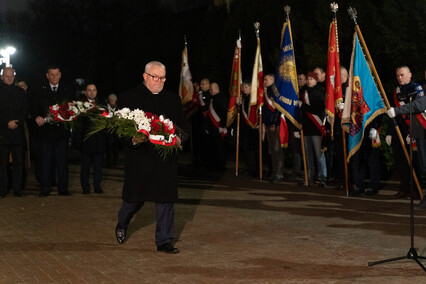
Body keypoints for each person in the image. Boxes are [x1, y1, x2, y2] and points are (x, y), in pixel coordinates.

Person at [115, 61, 189, 254]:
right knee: (133, 201)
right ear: (145, 76)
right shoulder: (127, 98)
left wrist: (179, 140)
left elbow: (182, 125)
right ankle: (122, 223)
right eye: (155, 77)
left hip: (165, 161)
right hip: (140, 159)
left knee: (165, 201)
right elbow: (119, 129)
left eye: (163, 78)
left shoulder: (172, 99)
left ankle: (164, 241)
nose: (159, 81)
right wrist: (133, 139)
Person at [31, 65, 73, 197]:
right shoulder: (39, 89)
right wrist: (36, 116)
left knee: (62, 161)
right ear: (47, 75)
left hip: (61, 132)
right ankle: (45, 188)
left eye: (56, 74)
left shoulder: (67, 89)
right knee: (45, 161)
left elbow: (72, 107)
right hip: (45, 132)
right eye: (52, 75)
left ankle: (63, 188)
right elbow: (33, 107)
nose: (54, 77)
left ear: (60, 75)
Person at [386, 65, 425, 200]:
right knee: (401, 160)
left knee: (415, 162)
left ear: (410, 75)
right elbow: (393, 113)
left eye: (402, 75)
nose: (400, 78)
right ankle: (404, 188)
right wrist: (390, 132)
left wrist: (411, 131)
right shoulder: (396, 91)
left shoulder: (417, 88)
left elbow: (418, 111)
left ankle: (416, 189)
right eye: (398, 75)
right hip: (399, 130)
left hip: (414, 130)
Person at [0, 67, 28, 198]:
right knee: (2, 163)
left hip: (17, 132)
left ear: (14, 77)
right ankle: (2, 189)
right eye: (6, 76)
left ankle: (17, 189)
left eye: (11, 76)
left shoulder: (21, 92)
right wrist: (6, 122)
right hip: (2, 132)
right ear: (2, 77)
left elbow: (25, 111)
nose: (9, 79)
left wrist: (17, 122)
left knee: (18, 163)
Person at [75, 83, 106, 194]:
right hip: (86, 142)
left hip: (99, 143)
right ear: (86, 92)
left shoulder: (102, 105)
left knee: (98, 167)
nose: (92, 92)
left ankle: (97, 186)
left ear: (96, 91)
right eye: (89, 90)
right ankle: (85, 187)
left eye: (94, 90)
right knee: (85, 167)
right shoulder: (81, 106)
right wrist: (78, 142)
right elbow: (78, 126)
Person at [300, 71, 327, 187]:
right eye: (308, 79)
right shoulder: (302, 92)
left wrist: (303, 105)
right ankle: (309, 176)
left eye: (312, 79)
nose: (309, 81)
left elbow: (316, 109)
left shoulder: (319, 93)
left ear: (316, 80)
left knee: (319, 154)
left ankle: (322, 177)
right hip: (306, 128)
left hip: (316, 128)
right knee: (307, 155)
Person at [262, 74, 284, 183]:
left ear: (272, 79)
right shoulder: (266, 91)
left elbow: (277, 108)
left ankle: (279, 173)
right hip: (268, 123)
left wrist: (274, 123)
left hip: (275, 124)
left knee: (276, 149)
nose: (264, 81)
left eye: (266, 79)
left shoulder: (275, 91)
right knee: (272, 150)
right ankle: (274, 172)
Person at [205, 82, 228, 171]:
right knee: (212, 147)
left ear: (216, 88)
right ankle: (213, 165)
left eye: (212, 87)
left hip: (218, 127)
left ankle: (221, 166)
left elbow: (224, 112)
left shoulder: (222, 98)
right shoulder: (210, 98)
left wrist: (222, 126)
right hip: (211, 127)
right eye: (210, 88)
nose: (210, 89)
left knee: (219, 147)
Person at [105, 93, 119, 168]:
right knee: (108, 148)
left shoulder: (118, 109)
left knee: (115, 148)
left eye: (113, 100)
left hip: (115, 131)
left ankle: (115, 162)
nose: (112, 101)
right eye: (111, 100)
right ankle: (109, 163)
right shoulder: (105, 108)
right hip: (108, 131)